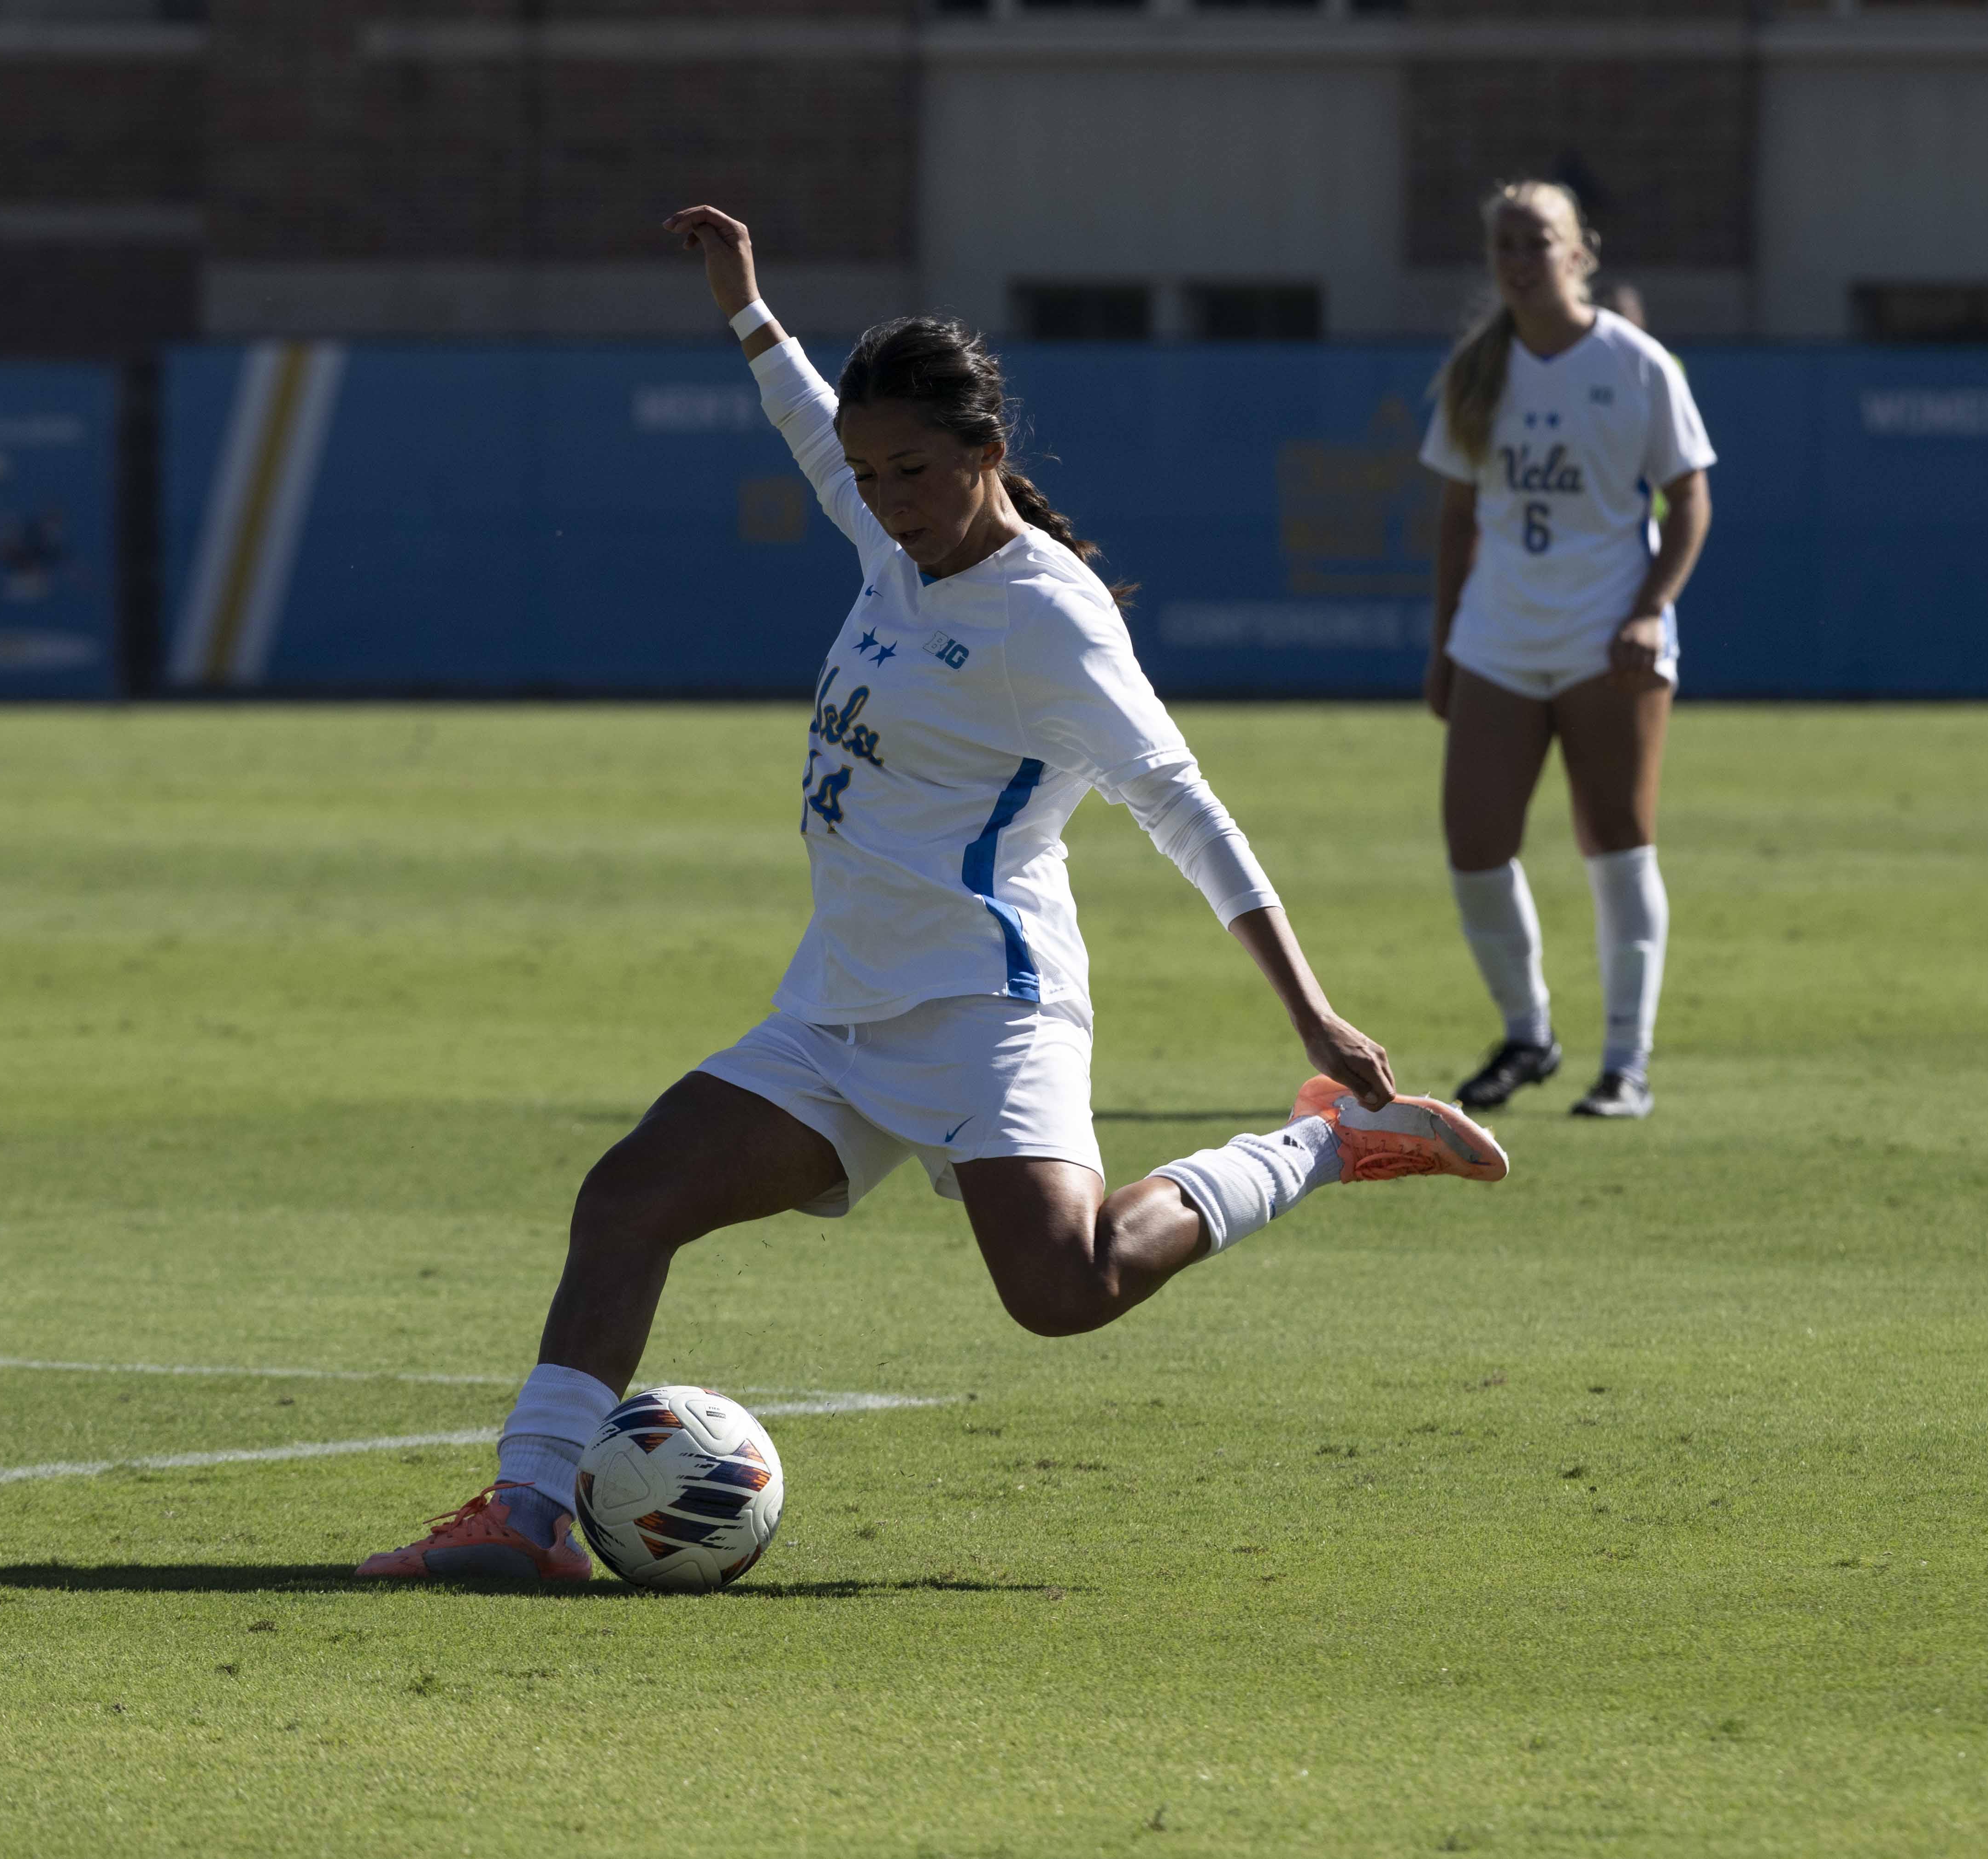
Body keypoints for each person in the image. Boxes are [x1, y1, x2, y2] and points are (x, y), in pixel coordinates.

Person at [356, 206, 1512, 1584]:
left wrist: (1314, 1014)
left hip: (985, 1007)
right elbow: (805, 427)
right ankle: (529, 1517)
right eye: (869, 473)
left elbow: (1182, 807)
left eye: (912, 469)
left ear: (986, 455)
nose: (886, 496)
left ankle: (1322, 1144)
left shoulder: (1051, 620)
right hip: (840, 1006)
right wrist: (747, 308)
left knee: (1064, 1291)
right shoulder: (894, 544)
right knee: (626, 1198)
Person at [1418, 181, 1715, 1121]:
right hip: (1498, 637)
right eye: (1503, 243)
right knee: (1473, 844)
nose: (1517, 258)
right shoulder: (1477, 368)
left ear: (1578, 251)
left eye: (1535, 240)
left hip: (1606, 640)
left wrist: (1647, 609)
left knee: (1616, 845)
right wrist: (1444, 645)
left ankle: (1624, 1062)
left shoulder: (1635, 365)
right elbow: (1457, 519)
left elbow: (1689, 502)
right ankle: (1527, 1032)